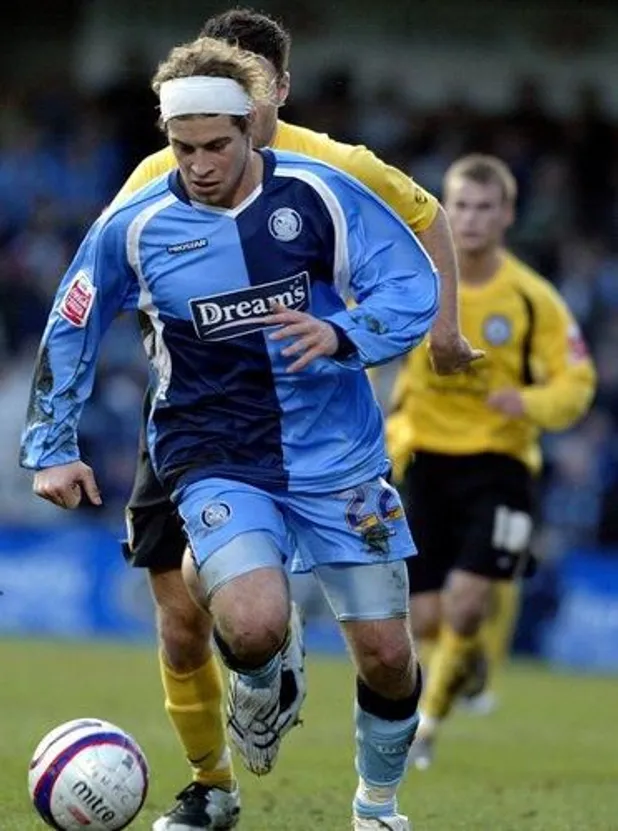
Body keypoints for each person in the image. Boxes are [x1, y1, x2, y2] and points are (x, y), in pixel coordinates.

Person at [22, 37, 440, 831]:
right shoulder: (138, 222)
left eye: (217, 145)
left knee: (387, 656)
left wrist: (345, 334)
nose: (200, 164)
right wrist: (54, 444)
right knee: (247, 620)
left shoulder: (321, 194)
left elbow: (410, 281)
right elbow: (72, 318)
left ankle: (377, 806)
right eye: (183, 148)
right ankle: (259, 670)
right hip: (215, 452)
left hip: (337, 455)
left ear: (255, 126)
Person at [386, 154, 597, 769]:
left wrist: (528, 401)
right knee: (425, 616)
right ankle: (467, 663)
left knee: (468, 602)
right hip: (424, 458)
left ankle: (426, 728)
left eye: (485, 207)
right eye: (462, 206)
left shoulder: (533, 298)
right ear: (444, 209)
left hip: (499, 465)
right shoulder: (416, 280)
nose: (472, 220)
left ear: (506, 214)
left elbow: (577, 381)